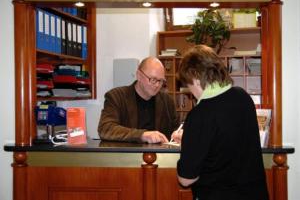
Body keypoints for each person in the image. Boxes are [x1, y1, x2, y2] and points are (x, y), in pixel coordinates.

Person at [176, 45, 269, 200]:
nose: (190, 91)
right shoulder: (243, 97)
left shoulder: (200, 114)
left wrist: (189, 142)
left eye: (188, 84)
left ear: (196, 79)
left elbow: (186, 179)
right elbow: (228, 139)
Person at [98, 56, 180, 143]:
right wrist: (142, 135)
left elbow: (176, 128)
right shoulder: (116, 97)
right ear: (139, 75)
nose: (157, 85)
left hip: (159, 156)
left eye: (161, 81)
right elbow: (105, 128)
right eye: (153, 80)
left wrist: (180, 134)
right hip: (127, 155)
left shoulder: (167, 101)